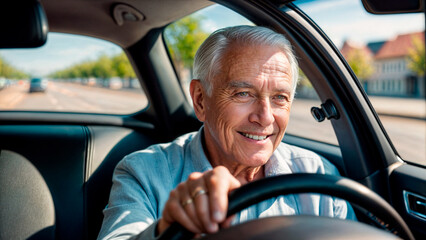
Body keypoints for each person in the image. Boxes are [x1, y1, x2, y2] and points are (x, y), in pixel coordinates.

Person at [97, 25, 356, 240]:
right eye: (243, 94)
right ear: (200, 100)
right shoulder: (143, 172)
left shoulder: (319, 175)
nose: (265, 117)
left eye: (279, 97)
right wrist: (167, 229)